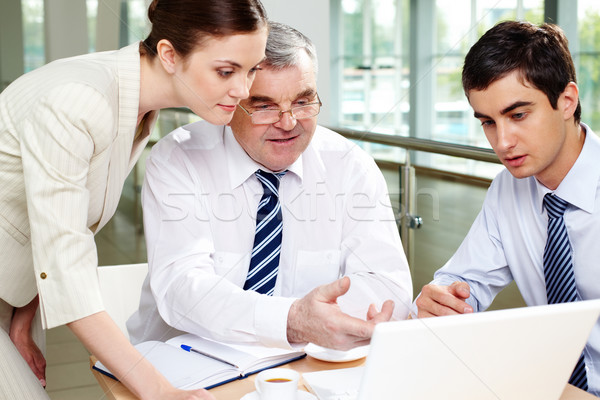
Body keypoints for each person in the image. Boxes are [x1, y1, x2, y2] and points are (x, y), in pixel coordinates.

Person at [0, 0, 268, 398]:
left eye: (252, 70)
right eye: (226, 71)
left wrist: (19, 318)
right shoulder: (80, 101)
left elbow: (55, 220)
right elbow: (66, 260)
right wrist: (161, 391)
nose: (243, 90)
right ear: (169, 54)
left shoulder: (137, 105)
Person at [127, 22, 412, 351]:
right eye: (264, 106)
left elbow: (388, 284)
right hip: (184, 360)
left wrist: (315, 325)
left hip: (305, 362)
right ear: (231, 103)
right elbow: (182, 288)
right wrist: (290, 320)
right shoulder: (179, 159)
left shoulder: (349, 165)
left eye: (304, 102)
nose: (288, 123)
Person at [413, 21, 600, 396]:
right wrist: (440, 299)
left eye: (517, 115)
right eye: (487, 122)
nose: (502, 141)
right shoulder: (507, 190)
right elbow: (466, 282)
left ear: (567, 101)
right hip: (555, 387)